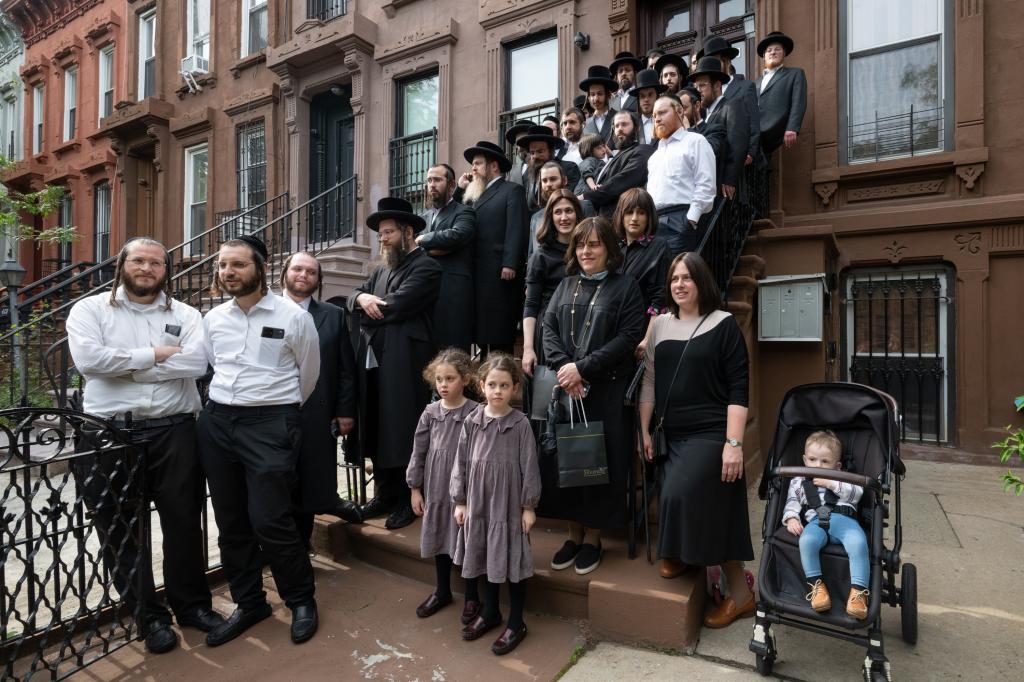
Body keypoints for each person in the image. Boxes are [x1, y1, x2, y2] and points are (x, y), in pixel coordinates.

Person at [65, 237, 224, 654]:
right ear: (122, 264)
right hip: (107, 433)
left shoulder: (188, 314)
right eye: (139, 260)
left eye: (156, 262)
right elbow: (88, 362)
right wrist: (156, 356)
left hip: (175, 430)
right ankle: (148, 616)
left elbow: (197, 364)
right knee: (119, 527)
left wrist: (130, 367)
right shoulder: (89, 310)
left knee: (184, 522)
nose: (147, 268)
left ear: (166, 270)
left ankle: (192, 606)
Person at [199, 235, 321, 646]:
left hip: (270, 422)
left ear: (261, 269)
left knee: (270, 519)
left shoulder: (293, 317)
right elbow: (214, 366)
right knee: (231, 521)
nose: (227, 273)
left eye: (237, 265)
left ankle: (301, 599)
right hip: (218, 422)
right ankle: (250, 603)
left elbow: (308, 374)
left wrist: (276, 411)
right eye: (222, 266)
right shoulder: (214, 319)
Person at [638, 252, 754, 630]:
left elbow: (739, 388)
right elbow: (651, 381)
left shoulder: (723, 325)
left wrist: (733, 444)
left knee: (682, 494)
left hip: (711, 432)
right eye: (674, 278)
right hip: (672, 432)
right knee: (675, 490)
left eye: (687, 277)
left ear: (701, 281)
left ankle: (737, 594)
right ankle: (688, 558)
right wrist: (644, 429)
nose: (679, 284)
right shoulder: (658, 326)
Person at [541, 217, 645, 575]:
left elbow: (629, 337)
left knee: (597, 466)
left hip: (606, 390)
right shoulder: (565, 285)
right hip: (569, 390)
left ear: (609, 250)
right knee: (567, 466)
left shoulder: (626, 286)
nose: (586, 251)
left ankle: (593, 539)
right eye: (581, 245)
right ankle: (573, 534)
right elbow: (548, 328)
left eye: (594, 245)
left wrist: (582, 369)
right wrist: (564, 369)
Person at [349, 197, 443, 529]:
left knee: (403, 428)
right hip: (376, 359)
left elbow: (396, 307)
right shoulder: (380, 270)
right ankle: (385, 493)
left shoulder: (427, 266)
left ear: (407, 232)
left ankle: (408, 497)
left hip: (407, 360)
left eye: (388, 232)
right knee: (377, 424)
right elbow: (353, 296)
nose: (383, 238)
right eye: (380, 234)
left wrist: (368, 313)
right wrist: (361, 298)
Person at [452, 354, 541, 656]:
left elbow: (529, 466)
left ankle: (516, 622)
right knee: (484, 555)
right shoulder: (472, 421)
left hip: (508, 506)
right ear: (481, 386)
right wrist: (460, 500)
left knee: (512, 560)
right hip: (478, 503)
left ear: (515, 388)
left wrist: (528, 506)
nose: (498, 391)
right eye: (492, 384)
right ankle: (490, 612)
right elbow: (461, 462)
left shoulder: (520, 425)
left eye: (504, 385)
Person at [280, 251, 363, 550]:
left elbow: (345, 368)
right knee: (276, 484)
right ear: (285, 273)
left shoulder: (333, 314)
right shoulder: (266, 311)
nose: (304, 276)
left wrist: (344, 411)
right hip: (271, 415)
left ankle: (301, 548)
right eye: (298, 269)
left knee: (310, 482)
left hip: (316, 415)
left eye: (311, 272)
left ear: (318, 280)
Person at [406, 348, 482, 623]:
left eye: (450, 379)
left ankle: (472, 595)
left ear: (464, 380)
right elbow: (419, 451)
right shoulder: (430, 413)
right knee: (440, 534)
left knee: (467, 537)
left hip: (465, 489)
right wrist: (415, 488)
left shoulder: (476, 413)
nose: (443, 385)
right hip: (437, 486)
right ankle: (442, 590)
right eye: (439, 379)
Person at [782, 430, 870, 620]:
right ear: (804, 460)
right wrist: (791, 518)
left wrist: (832, 483)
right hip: (816, 523)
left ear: (837, 465)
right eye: (813, 460)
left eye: (825, 462)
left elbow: (857, 494)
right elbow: (792, 502)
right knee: (807, 541)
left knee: (858, 543)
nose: (818, 465)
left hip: (844, 520)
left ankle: (858, 593)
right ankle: (817, 587)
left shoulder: (843, 477)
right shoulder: (798, 480)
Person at [458, 141, 529, 356]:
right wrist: (459, 189)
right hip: (478, 274)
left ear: (494, 166)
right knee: (481, 334)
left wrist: (510, 262)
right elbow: (457, 214)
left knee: (498, 334)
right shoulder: (474, 195)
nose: (473, 169)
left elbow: (517, 228)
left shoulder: (511, 190)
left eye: (478, 163)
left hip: (500, 274)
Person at [417, 163, 477, 352]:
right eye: (429, 180)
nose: (431, 185)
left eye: (437, 180)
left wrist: (423, 239)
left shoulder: (464, 212)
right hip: (425, 295)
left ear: (451, 185)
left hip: (453, 296)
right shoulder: (422, 219)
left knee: (454, 355)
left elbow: (456, 236)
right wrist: (432, 246)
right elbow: (412, 250)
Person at [647, 95, 717, 255]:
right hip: (654, 224)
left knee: (676, 275)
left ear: (679, 111)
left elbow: (706, 184)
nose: (657, 119)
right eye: (654, 115)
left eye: (662, 113)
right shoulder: (654, 156)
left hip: (680, 219)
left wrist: (691, 219)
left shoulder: (696, 141)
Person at [522, 190, 580, 378]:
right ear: (550, 217)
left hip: (583, 328)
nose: (564, 217)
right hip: (549, 330)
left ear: (577, 213)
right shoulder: (541, 256)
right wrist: (528, 348)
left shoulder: (588, 251)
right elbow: (531, 305)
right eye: (558, 212)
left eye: (569, 211)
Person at [612, 188, 671, 350]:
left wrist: (647, 339)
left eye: (641, 213)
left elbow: (661, 297)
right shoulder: (615, 250)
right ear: (620, 215)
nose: (634, 218)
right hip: (612, 335)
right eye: (629, 212)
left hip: (640, 332)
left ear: (649, 216)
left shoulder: (659, 246)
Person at [689, 56, 749, 201]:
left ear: (717, 85)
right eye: (696, 87)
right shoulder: (705, 114)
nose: (698, 91)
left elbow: (738, 145)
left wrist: (729, 179)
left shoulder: (732, 105)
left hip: (727, 189)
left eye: (702, 86)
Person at [701, 35, 761, 171]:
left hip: (739, 159)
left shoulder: (746, 86)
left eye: (715, 60)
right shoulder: (707, 91)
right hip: (715, 159)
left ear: (726, 61)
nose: (712, 65)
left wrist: (750, 152)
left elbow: (753, 121)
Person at [582, 111, 655, 219]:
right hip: (602, 221)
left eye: (624, 124)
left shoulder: (643, 150)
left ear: (636, 128)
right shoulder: (612, 158)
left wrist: (585, 196)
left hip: (624, 220)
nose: (620, 128)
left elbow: (622, 181)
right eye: (616, 126)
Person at [755, 31, 807, 156]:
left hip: (775, 130)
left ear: (784, 53)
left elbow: (798, 102)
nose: (773, 52)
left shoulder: (795, 74)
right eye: (769, 50)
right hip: (755, 135)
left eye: (777, 49)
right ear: (764, 56)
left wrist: (792, 127)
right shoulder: (756, 82)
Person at [517, 125, 581, 212]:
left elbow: (570, 201)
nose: (535, 156)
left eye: (540, 151)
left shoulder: (569, 168)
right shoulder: (530, 174)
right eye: (532, 153)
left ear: (551, 150)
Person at [628, 68, 667, 145]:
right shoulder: (632, 125)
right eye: (642, 96)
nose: (646, 99)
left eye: (650, 95)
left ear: (657, 96)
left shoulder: (667, 121)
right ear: (638, 99)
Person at [580, 65, 619, 142]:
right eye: (592, 94)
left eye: (600, 94)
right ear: (588, 98)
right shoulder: (585, 124)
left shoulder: (618, 117)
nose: (596, 99)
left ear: (608, 95)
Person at [504, 119, 535, 188]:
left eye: (523, 142)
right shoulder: (511, 172)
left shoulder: (545, 167)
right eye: (517, 143)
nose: (520, 148)